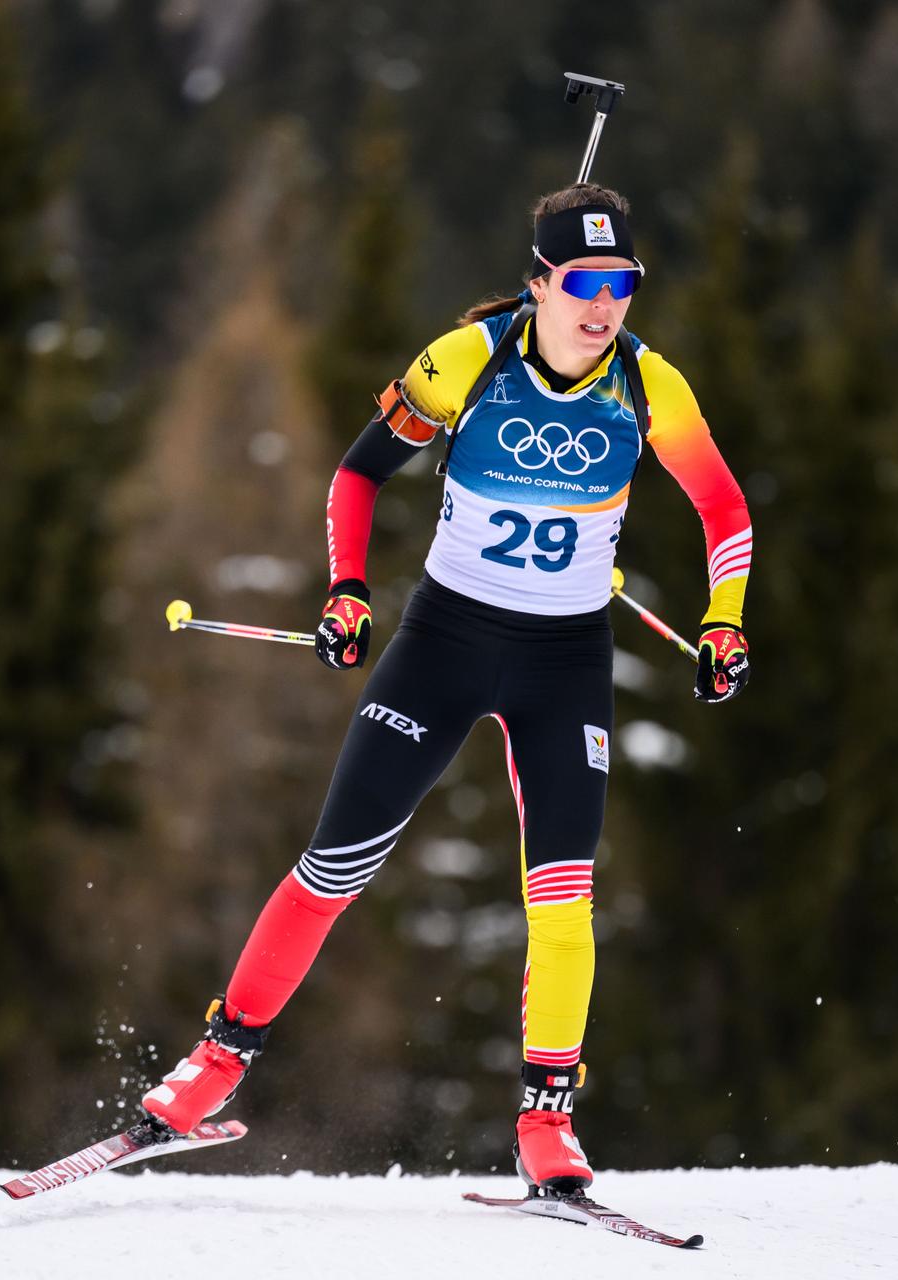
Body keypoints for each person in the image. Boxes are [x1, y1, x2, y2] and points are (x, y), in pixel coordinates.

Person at [139, 181, 753, 1195]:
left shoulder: (651, 385)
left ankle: (547, 1120)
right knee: (334, 865)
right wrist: (346, 591)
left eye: (623, 284)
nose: (604, 305)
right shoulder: (466, 360)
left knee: (564, 896)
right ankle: (217, 1061)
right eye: (583, 283)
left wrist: (724, 618)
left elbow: (724, 510)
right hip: (445, 641)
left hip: (566, 661)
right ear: (540, 283)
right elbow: (357, 473)